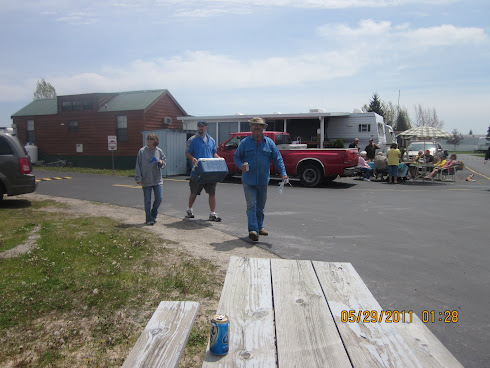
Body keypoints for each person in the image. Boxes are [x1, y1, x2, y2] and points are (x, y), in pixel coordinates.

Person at [234, 117, 288, 241]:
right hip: (248, 180)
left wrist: (283, 173)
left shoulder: (269, 143)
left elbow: (277, 158)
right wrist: (240, 166)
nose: (256, 128)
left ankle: (260, 227)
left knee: (261, 206)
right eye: (254, 126)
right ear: (251, 128)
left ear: (263, 128)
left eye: (259, 126)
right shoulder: (245, 143)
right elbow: (237, 157)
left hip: (263, 180)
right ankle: (253, 229)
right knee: (251, 205)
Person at [185, 120, 222, 221]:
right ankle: (189, 210)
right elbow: (187, 153)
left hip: (210, 171)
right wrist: (192, 158)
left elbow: (214, 153)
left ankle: (212, 213)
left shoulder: (211, 140)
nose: (200, 128)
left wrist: (219, 159)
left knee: (212, 193)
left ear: (206, 127)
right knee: (194, 192)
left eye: (202, 126)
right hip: (197, 171)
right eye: (198, 126)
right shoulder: (192, 140)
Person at [135, 133, 166, 225]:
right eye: (148, 139)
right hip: (146, 179)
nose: (149, 140)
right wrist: (138, 178)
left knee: (159, 198)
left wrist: (161, 162)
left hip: (157, 179)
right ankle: (148, 219)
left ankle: (154, 213)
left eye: (151, 139)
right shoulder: (142, 151)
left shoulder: (159, 151)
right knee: (147, 200)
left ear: (155, 140)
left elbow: (164, 161)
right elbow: (138, 165)